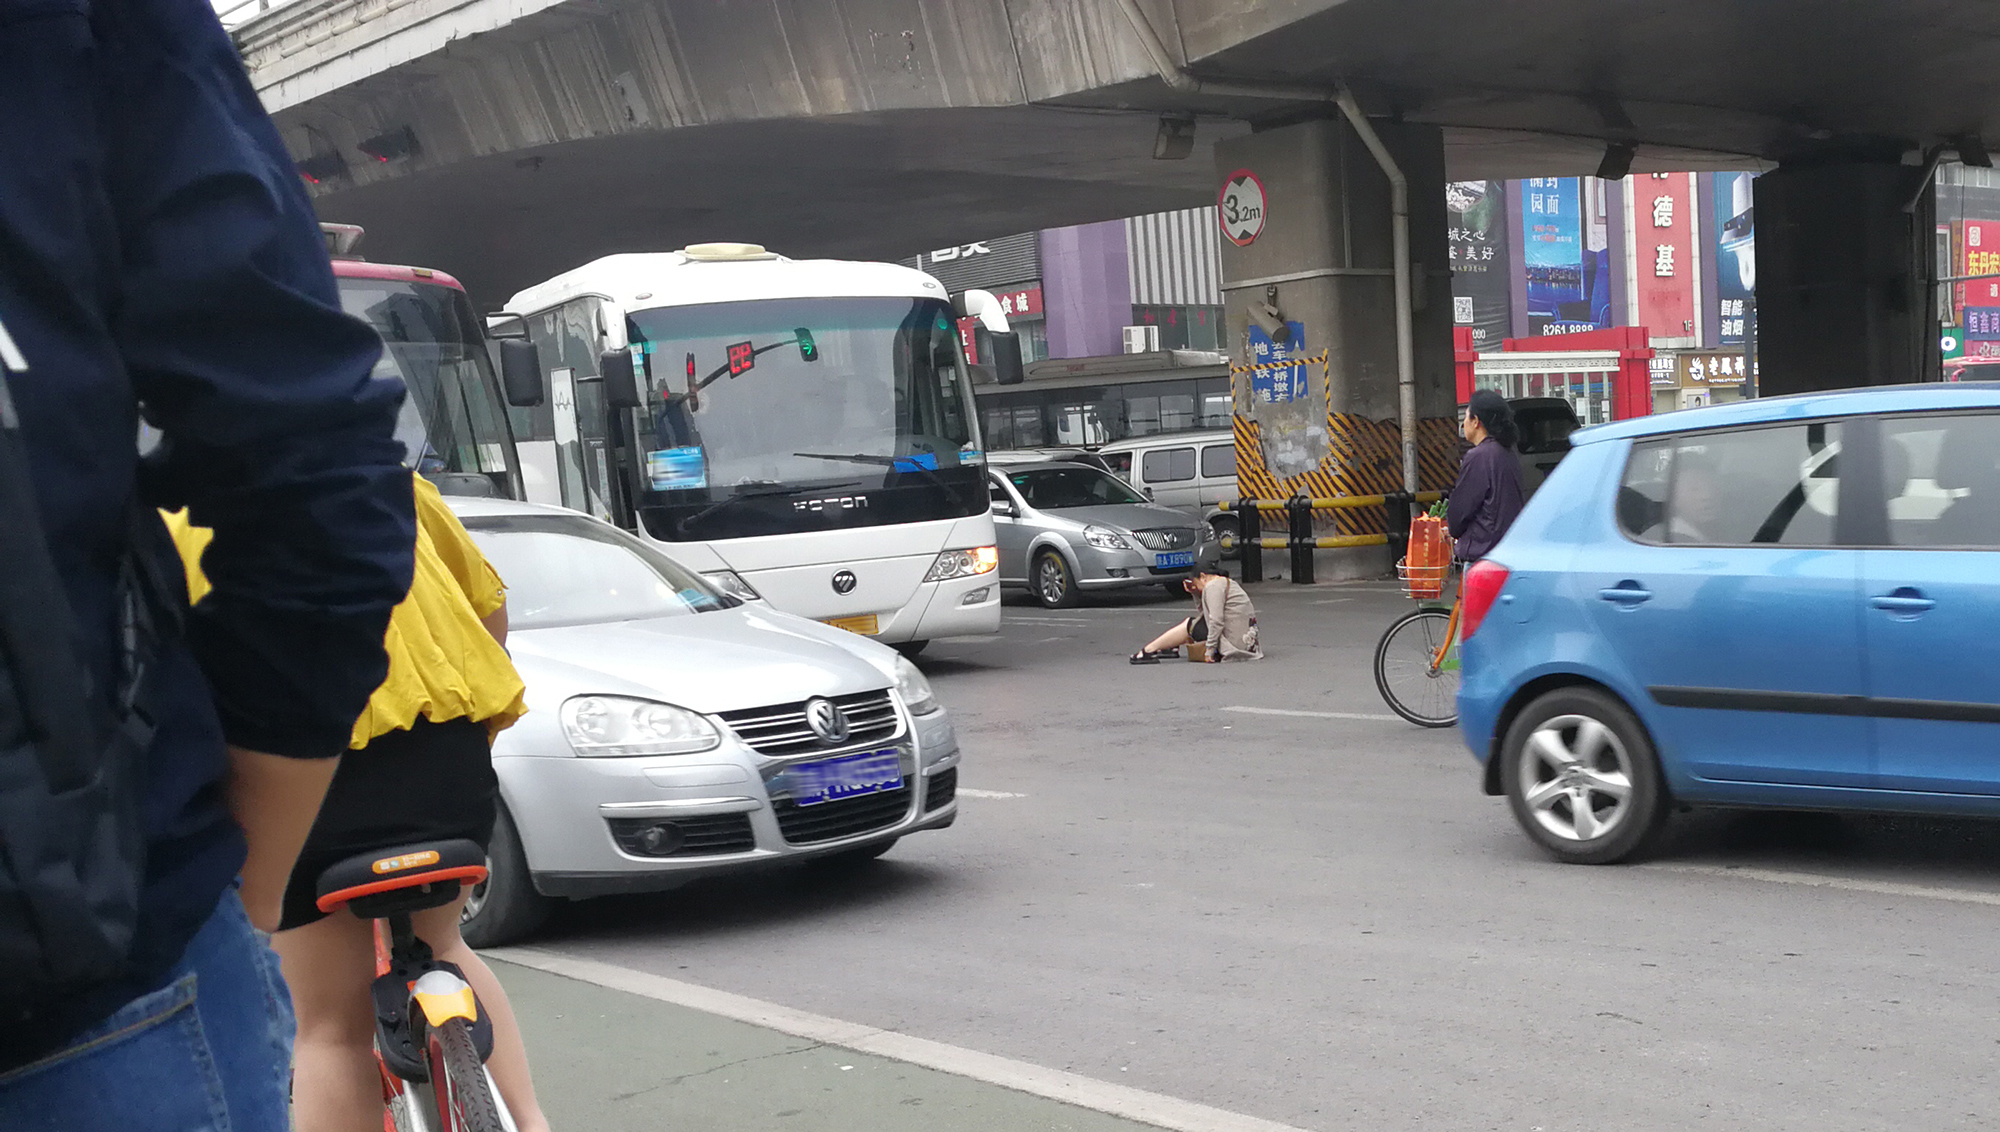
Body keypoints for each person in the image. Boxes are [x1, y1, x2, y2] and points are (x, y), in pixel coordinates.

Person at [0, 0, 416, 1125]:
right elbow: (323, 495)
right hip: (86, 962)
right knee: (383, 992)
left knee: (342, 1014)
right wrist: (237, 880)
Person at [166, 473, 553, 1132]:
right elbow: (488, 611)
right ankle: (531, 1121)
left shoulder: (173, 511)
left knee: (327, 1026)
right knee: (445, 943)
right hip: (443, 758)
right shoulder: (392, 480)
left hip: (298, 777)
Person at [1446, 390, 1527, 562]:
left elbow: (1459, 512)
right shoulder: (1508, 453)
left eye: (1466, 417)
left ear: (1476, 422)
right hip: (1506, 551)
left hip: (1483, 554)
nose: (1464, 424)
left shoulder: (1479, 456)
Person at [1131, 570, 1263, 663]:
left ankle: (1148, 650)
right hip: (1246, 643)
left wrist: (1209, 650)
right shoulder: (1226, 583)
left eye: (1195, 583)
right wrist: (1195, 593)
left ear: (1203, 576)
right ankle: (1169, 646)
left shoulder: (1213, 586)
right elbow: (1204, 613)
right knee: (1193, 624)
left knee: (1188, 625)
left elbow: (1215, 621)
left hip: (1234, 645)